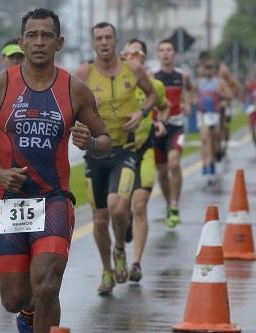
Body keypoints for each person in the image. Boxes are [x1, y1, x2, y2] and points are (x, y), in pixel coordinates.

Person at [0, 8, 111, 333]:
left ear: (59, 42)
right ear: (21, 41)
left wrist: (90, 143)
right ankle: (27, 314)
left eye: (46, 36)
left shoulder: (76, 89)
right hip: (9, 201)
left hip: (53, 200)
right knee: (15, 298)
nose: (39, 42)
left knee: (46, 285)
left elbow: (105, 140)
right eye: (32, 35)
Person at [75, 22, 156, 296]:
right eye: (99, 38)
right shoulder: (84, 73)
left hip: (124, 150)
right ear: (93, 43)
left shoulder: (132, 69)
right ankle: (107, 270)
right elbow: (67, 104)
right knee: (99, 220)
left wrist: (141, 113)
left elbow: (153, 94)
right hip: (96, 153)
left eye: (109, 37)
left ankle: (120, 248)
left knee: (118, 208)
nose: (104, 42)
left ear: (116, 41)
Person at [121, 39, 168, 282]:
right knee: (121, 209)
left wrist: (160, 121)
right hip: (121, 153)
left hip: (145, 151)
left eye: (136, 53)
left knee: (140, 206)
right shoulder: (116, 86)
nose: (130, 57)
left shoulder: (155, 85)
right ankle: (125, 221)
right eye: (126, 54)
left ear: (144, 58)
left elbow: (164, 106)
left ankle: (136, 263)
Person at [154, 39, 192, 228]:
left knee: (174, 163)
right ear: (157, 54)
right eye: (162, 50)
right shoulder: (152, 76)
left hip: (176, 125)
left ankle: (175, 206)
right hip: (158, 128)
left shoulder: (182, 76)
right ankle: (169, 203)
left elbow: (190, 91)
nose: (165, 53)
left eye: (169, 50)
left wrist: (188, 103)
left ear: (174, 53)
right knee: (161, 172)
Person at [196, 58, 232, 183]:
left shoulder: (219, 82)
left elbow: (229, 95)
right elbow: (192, 95)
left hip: (215, 115)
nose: (208, 70)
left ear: (214, 70)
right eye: (206, 68)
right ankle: (206, 164)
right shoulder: (199, 82)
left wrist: (222, 97)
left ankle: (214, 159)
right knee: (205, 140)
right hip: (203, 113)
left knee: (214, 142)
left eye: (210, 68)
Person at [217, 62, 241, 160]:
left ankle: (225, 144)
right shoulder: (216, 80)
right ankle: (218, 147)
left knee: (225, 127)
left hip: (226, 108)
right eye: (222, 70)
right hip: (216, 108)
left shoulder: (230, 80)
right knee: (218, 128)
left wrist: (228, 98)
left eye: (225, 71)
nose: (224, 72)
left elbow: (236, 88)